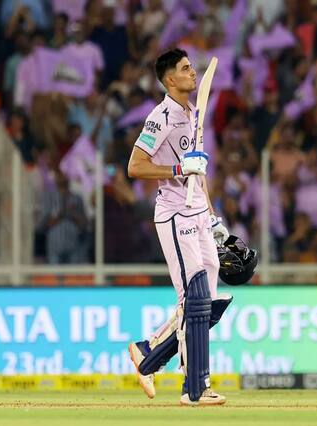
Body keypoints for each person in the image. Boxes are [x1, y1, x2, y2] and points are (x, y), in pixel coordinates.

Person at [126, 49, 230, 406]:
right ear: (170, 79)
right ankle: (194, 387)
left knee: (207, 304)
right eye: (185, 69)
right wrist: (176, 169)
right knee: (195, 299)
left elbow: (198, 171)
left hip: (198, 212)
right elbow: (135, 166)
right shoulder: (162, 117)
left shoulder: (193, 112)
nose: (193, 72)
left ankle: (149, 353)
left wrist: (212, 216)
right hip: (175, 214)